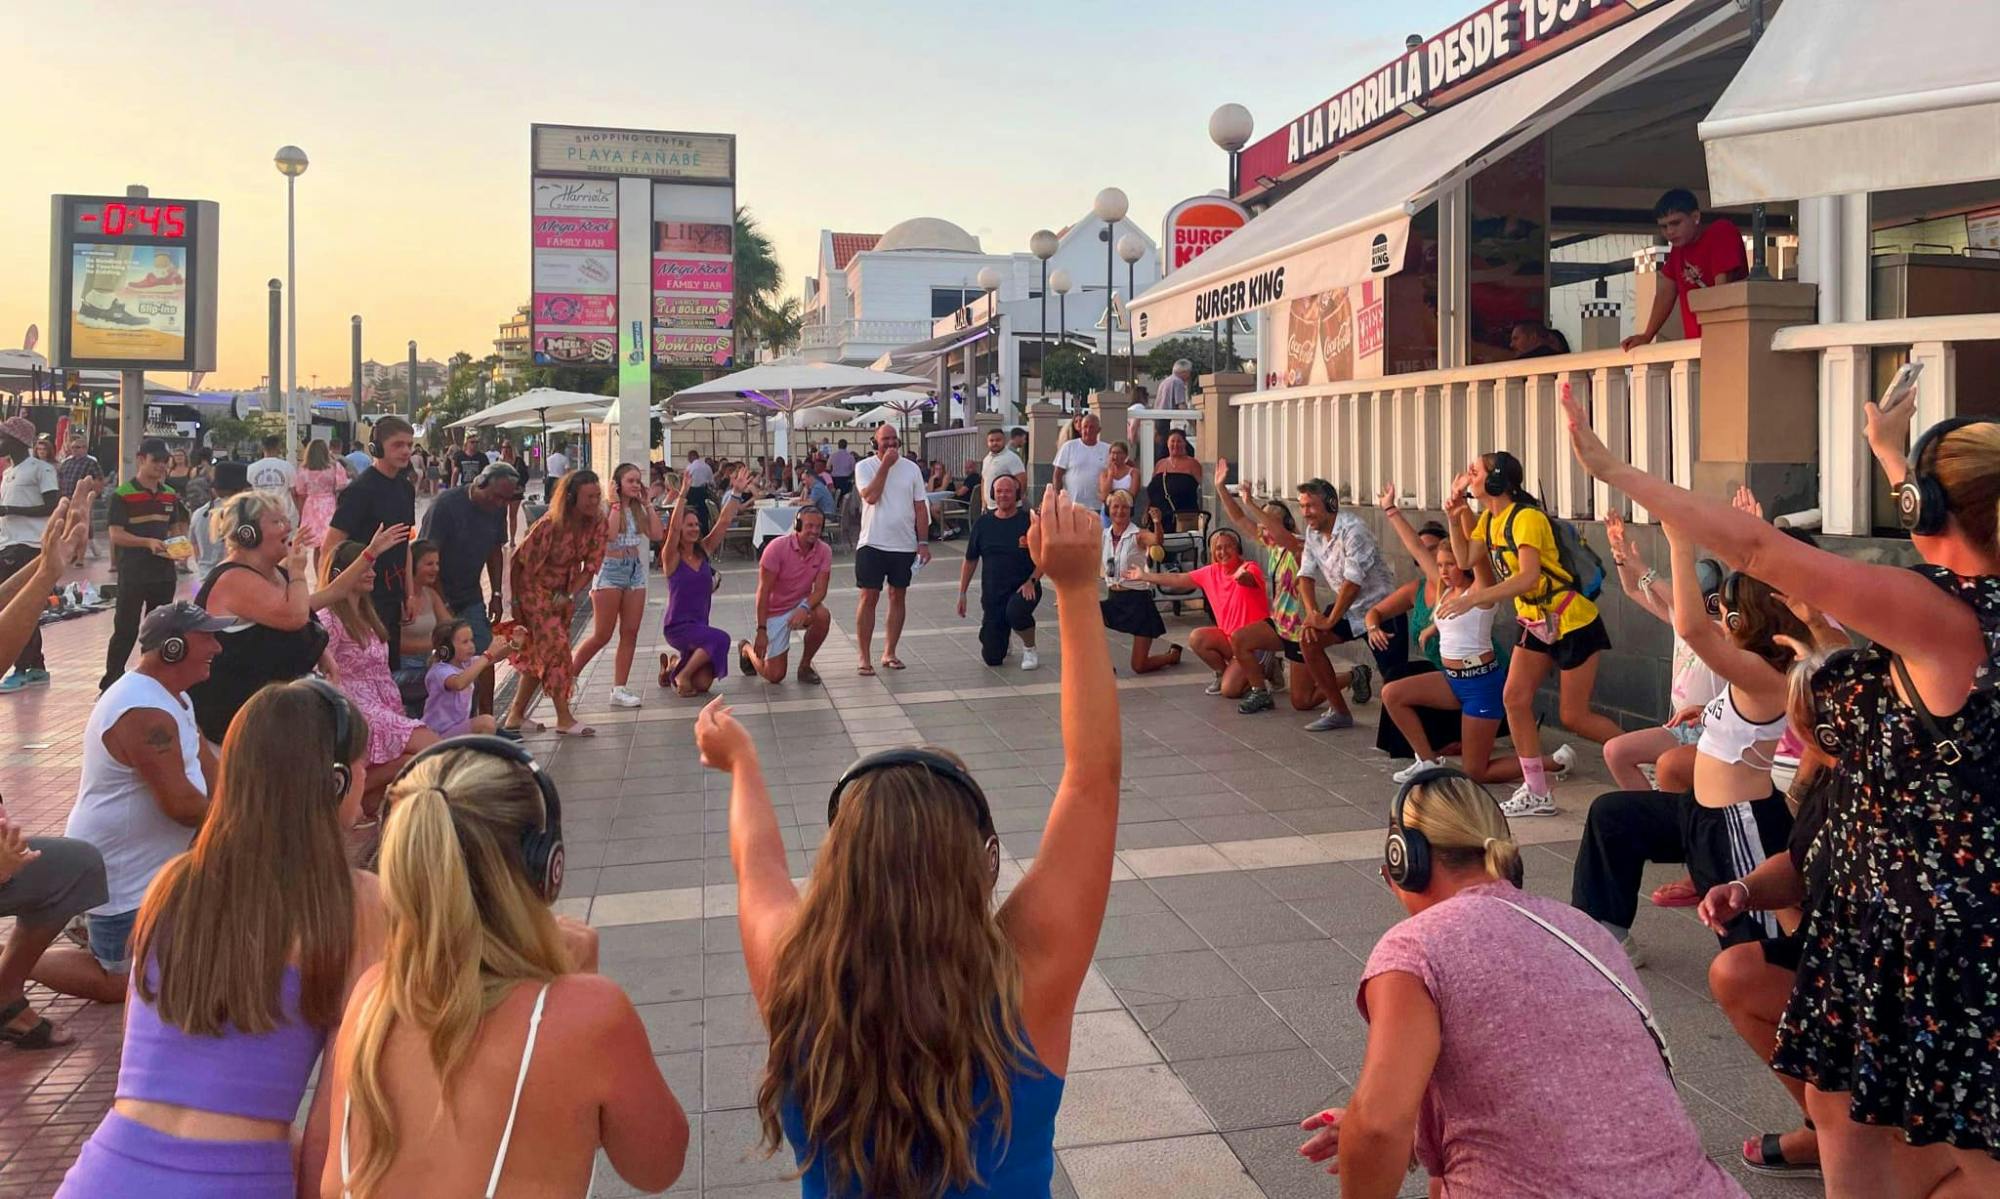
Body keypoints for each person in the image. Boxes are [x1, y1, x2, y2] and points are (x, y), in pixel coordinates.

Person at [1564, 380, 2000, 1196]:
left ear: (1933, 513)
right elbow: (1947, 525)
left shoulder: (1947, 618)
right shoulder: (1953, 623)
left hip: (1932, 943)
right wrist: (1892, 456)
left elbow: (1760, 552)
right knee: (1842, 1116)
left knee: (1970, 1149)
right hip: (1880, 923)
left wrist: (1617, 471)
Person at [697, 488, 1114, 1198]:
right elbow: (1092, 777)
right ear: (982, 865)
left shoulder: (797, 982)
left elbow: (757, 865)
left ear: (840, 865)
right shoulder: (1024, 983)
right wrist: (1075, 590)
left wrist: (741, 763)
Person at [1298, 768, 1745, 1198]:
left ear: (1404, 861)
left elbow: (1379, 1127)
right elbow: (1556, 1084)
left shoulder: (1415, 948)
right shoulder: (1582, 929)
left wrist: (1371, 1129)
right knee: (1448, 1173)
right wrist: (1375, 1125)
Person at [54, 680, 385, 1197]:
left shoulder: (175, 884)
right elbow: (338, 1118)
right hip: (237, 1180)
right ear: (336, 781)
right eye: (364, 763)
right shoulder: (357, 903)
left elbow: (146, 1067)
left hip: (106, 1171)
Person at [321, 740, 688, 1197]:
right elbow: (657, 1167)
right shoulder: (588, 1017)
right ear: (543, 867)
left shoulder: (370, 1001)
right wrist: (578, 987)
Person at [1571, 529, 1808, 963]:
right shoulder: (1750, 673)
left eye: (1729, 613)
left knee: (1758, 955)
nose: (1722, 617)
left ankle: (1798, 999)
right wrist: (1707, 708)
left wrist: (1680, 544)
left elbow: (1692, 626)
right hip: (1699, 812)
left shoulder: (1765, 673)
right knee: (1613, 815)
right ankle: (1603, 937)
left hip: (1739, 827)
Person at [1693, 650, 1848, 1181]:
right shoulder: (1827, 779)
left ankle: (1854, 1135)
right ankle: (1825, 1126)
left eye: (1800, 730)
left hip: (1899, 972)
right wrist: (1742, 888)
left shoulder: (1903, 789)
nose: (1790, 743)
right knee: (1736, 972)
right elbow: (1803, 860)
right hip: (1835, 950)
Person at [39, 605, 225, 1005]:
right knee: (123, 985)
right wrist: (248, 821)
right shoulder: (142, 710)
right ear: (172, 648)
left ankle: (91, 928)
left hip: (155, 875)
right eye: (206, 637)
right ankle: (19, 960)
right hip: (123, 882)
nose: (217, 647)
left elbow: (217, 775)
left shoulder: (175, 698)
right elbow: (181, 805)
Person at [1438, 448, 1623, 816]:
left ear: (1494, 480)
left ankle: (1645, 756)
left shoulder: (1526, 519)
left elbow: (1529, 577)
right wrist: (1454, 515)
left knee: (1574, 716)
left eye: (1474, 471)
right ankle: (1537, 790)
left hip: (1572, 620)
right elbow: (1464, 560)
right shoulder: (1490, 521)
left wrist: (1476, 600)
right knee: (1515, 699)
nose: (1467, 475)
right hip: (1536, 622)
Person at [1371, 483, 1555, 786]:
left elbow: (1478, 554)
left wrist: (1460, 514)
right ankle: (1427, 761)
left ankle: (1551, 762)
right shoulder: (1445, 588)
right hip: (1451, 679)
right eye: (1440, 565)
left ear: (1464, 563)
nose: (1442, 571)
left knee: (1475, 772)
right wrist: (1390, 509)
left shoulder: (1481, 590)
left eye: (1450, 564)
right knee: (1392, 693)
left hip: (1481, 684)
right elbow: (1417, 548)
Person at [189, 492, 401, 745]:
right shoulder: (233, 579)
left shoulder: (273, 573)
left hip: (271, 713)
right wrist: (297, 571)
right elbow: (296, 616)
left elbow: (331, 594)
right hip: (237, 719)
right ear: (248, 533)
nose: (288, 526)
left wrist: (370, 553)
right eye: (277, 522)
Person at [1215, 472, 1372, 721]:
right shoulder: (1272, 545)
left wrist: (1253, 505)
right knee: (1240, 639)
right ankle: (1260, 691)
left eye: (1269, 520)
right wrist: (1220, 487)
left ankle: (1355, 675)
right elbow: (1238, 519)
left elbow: (1277, 533)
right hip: (1279, 625)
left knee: (1302, 701)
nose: (1263, 526)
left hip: (1299, 630)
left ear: (1286, 523)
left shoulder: (1299, 545)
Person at [320, 541, 440, 798]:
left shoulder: (367, 614)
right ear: (342, 573)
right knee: (429, 745)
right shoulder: (329, 617)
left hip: (384, 702)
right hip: (359, 709)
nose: (373, 573)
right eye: (365, 568)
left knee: (406, 764)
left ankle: (363, 803)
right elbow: (320, 670)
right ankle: (348, 792)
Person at [1125, 528, 1285, 707]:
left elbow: (1250, 579)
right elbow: (1177, 578)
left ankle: (1265, 670)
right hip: (1230, 639)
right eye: (1218, 548)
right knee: (1197, 637)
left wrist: (1242, 577)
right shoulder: (1210, 572)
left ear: (1238, 548)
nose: (1223, 552)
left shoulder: (1249, 567)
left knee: (1229, 691)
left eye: (1228, 547)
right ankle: (1228, 673)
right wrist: (1145, 576)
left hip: (1253, 643)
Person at [503, 471, 608, 736]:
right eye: (589, 497)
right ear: (572, 497)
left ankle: (515, 715)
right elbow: (519, 562)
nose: (595, 502)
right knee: (558, 650)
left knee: (541, 653)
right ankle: (564, 717)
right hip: (533, 588)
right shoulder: (550, 524)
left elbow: (592, 564)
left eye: (598, 496)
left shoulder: (598, 522)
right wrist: (514, 600)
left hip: (563, 592)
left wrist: (570, 593)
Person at [419, 462, 519, 721]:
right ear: (480, 483)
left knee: (484, 653)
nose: (500, 504)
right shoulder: (446, 506)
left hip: (470, 594)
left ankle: (487, 719)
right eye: (496, 497)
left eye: (506, 500)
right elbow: (426, 557)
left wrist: (496, 594)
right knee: (446, 660)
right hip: (437, 592)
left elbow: (495, 550)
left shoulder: (497, 509)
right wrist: (443, 607)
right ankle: (449, 721)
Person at [325, 415, 417, 675]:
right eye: (398, 444)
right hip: (363, 597)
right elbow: (332, 546)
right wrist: (334, 594)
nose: (406, 451)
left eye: (409, 445)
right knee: (366, 669)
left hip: (392, 594)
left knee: (389, 670)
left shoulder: (405, 489)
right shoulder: (360, 491)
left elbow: (405, 543)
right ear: (377, 447)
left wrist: (409, 593)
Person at [571, 463, 665, 709]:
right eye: (631, 481)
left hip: (634, 569)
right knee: (602, 634)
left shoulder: (638, 508)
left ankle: (619, 688)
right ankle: (568, 677)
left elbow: (657, 534)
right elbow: (610, 535)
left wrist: (648, 504)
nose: (636, 485)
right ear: (618, 484)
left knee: (630, 631)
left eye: (638, 480)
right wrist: (614, 504)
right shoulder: (604, 507)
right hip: (610, 570)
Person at [100, 438, 190, 692]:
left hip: (163, 573)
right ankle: (111, 682)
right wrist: (146, 542)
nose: (161, 466)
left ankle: (154, 677)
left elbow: (173, 528)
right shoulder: (124, 494)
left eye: (165, 462)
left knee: (160, 627)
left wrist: (179, 548)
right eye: (156, 461)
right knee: (126, 628)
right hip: (134, 572)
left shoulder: (169, 494)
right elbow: (116, 534)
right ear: (141, 459)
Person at [655, 467, 749, 698]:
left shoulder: (703, 551)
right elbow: (674, 528)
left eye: (697, 525)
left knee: (703, 684)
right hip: (678, 627)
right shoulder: (671, 558)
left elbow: (724, 522)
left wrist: (736, 493)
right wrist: (683, 494)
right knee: (722, 639)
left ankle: (672, 668)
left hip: (699, 627)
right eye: (690, 525)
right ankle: (682, 675)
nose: (695, 529)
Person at [1622, 187, 1747, 351]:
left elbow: (1721, 289)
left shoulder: (1721, 232)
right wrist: (1647, 336)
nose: (1669, 232)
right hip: (1696, 346)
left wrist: (1718, 339)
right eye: (1664, 226)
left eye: (1675, 223)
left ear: (1695, 217)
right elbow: (1665, 293)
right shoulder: (1678, 250)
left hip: (1727, 342)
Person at [853, 424, 929, 676]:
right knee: (869, 597)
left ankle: (890, 652)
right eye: (885, 440)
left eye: (894, 439)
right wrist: (885, 465)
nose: (890, 444)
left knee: (898, 596)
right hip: (872, 542)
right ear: (875, 443)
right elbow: (871, 496)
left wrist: (923, 542)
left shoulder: (912, 469)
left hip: (903, 544)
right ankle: (864, 656)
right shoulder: (864, 467)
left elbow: (920, 507)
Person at [958, 475, 1043, 670]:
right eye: (999, 491)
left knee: (1015, 612)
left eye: (1008, 491)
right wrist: (962, 593)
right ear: (992, 495)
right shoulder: (983, 524)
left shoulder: (1029, 522)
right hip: (993, 593)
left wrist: (1032, 580)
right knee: (992, 658)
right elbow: (970, 560)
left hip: (1024, 587)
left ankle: (1029, 648)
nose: (1003, 495)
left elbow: (1045, 557)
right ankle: (1001, 635)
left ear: (1017, 494)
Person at [0, 415, 59, 694]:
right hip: (8, 544)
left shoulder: (41, 470)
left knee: (19, 606)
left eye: (4, 438)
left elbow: (51, 505)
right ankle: (36, 666)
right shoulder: (8, 472)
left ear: (18, 441)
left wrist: (11, 510)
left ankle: (21, 667)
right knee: (18, 607)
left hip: (30, 546)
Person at [742, 507, 832, 685]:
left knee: (822, 615)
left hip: (799, 604)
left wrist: (804, 607)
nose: (814, 531)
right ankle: (746, 649)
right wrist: (761, 630)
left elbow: (820, 590)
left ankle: (805, 666)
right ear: (797, 525)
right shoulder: (776, 548)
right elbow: (763, 591)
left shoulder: (824, 551)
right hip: (774, 610)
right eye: (809, 526)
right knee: (775, 675)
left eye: (818, 527)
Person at [1099, 490, 1181, 674]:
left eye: (1125, 507)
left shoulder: (1138, 535)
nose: (1120, 511)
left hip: (1137, 601)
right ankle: (1101, 664)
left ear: (1131, 510)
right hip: (1115, 598)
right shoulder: (1104, 535)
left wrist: (1157, 523)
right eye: (1115, 507)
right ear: (1108, 510)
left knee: (1139, 666)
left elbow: (1157, 540)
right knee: (1088, 615)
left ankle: (1172, 656)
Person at [423, 620, 510, 737]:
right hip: (437, 734)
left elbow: (496, 657)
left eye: (471, 640)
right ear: (446, 649)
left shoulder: (467, 664)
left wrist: (514, 644)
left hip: (456, 729)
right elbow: (459, 683)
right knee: (486, 723)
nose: (471, 646)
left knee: (487, 722)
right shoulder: (439, 671)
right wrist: (488, 654)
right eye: (465, 642)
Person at [392, 540, 453, 703]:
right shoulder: (398, 601)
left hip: (429, 663)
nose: (436, 569)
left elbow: (451, 627)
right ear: (413, 566)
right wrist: (434, 645)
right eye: (429, 564)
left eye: (437, 563)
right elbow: (394, 644)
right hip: (404, 668)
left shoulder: (430, 594)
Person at [293, 438, 349, 568]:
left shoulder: (304, 470)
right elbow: (342, 486)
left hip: (311, 506)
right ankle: (327, 573)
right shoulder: (335, 466)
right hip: (329, 504)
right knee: (330, 543)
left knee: (316, 547)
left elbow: (300, 492)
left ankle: (318, 578)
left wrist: (301, 514)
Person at [187, 461, 246, 576]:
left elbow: (194, 546)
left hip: (205, 578)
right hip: (233, 578)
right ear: (243, 490)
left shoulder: (198, 514)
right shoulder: (243, 514)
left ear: (215, 489)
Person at [56, 431, 103, 568]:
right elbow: (60, 478)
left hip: (82, 499)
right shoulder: (66, 463)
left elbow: (99, 479)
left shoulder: (91, 462)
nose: (74, 450)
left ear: (84, 448)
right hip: (66, 497)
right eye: (73, 448)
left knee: (82, 527)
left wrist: (91, 494)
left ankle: (80, 557)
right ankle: (71, 552)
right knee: (66, 526)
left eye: (78, 447)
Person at [1051, 412, 1110, 515]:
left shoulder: (1107, 449)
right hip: (1072, 505)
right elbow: (1057, 474)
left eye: (1091, 427)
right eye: (1085, 427)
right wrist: (1058, 497)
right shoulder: (1069, 447)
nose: (1087, 430)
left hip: (1098, 507)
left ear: (1098, 430)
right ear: (1080, 429)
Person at [1145, 428, 1203, 532]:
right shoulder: (1160, 464)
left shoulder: (1193, 464)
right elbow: (1152, 490)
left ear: (1184, 444)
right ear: (1167, 443)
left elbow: (1205, 490)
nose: (1175, 444)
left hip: (1182, 519)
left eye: (1179, 441)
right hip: (1158, 519)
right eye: (1172, 441)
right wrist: (1146, 511)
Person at [246, 433, 298, 522]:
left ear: (263, 448)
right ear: (278, 448)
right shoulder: (288, 467)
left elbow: (249, 492)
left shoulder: (251, 468)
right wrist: (299, 510)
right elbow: (294, 492)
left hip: (260, 513)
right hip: (284, 513)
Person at [979, 426, 1027, 513]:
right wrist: (983, 502)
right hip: (990, 508)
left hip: (1008, 509)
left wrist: (1013, 503)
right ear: (987, 442)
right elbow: (984, 481)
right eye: (991, 441)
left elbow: (1022, 481)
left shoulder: (1012, 458)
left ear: (1004, 440)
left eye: (998, 440)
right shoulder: (986, 459)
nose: (995, 443)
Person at [1095, 441, 1139, 526]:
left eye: (1119, 453)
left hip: (1125, 511)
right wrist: (1111, 474)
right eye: (1113, 453)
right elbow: (1104, 496)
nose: (1115, 456)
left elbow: (1132, 494)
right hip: (1108, 512)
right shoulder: (1104, 473)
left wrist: (1115, 498)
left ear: (1125, 455)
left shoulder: (1134, 472)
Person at [682, 448, 716, 535]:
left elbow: (685, 482)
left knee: (692, 512)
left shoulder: (689, 467)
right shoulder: (707, 467)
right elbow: (712, 482)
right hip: (704, 491)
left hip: (692, 492)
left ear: (690, 457)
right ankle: (704, 533)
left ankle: (693, 532)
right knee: (704, 514)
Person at [543, 439, 569, 505]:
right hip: (559, 480)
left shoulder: (549, 458)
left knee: (549, 499)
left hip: (549, 479)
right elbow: (567, 472)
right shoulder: (565, 459)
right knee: (559, 499)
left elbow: (547, 470)